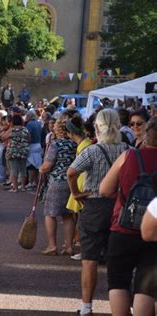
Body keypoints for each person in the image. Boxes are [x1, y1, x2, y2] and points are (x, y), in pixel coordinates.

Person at [67, 109, 130, 316]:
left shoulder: (92, 151)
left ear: (96, 127)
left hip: (94, 205)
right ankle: (124, 306)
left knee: (90, 259)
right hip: (119, 206)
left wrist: (76, 193)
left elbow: (71, 172)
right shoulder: (128, 150)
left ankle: (86, 307)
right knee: (119, 259)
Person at [99, 117, 157, 316]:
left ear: (145, 135)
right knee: (146, 285)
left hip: (123, 226)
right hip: (155, 232)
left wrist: (126, 200)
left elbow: (105, 189)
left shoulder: (129, 156)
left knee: (118, 281)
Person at [39, 115, 77, 255]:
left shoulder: (55, 145)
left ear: (58, 129)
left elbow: (47, 165)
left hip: (57, 181)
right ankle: (68, 246)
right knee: (68, 215)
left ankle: (52, 245)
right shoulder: (75, 144)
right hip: (71, 182)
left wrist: (41, 169)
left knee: (50, 213)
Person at [65, 115, 93, 261]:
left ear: (70, 133)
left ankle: (85, 250)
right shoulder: (85, 143)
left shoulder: (85, 145)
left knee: (83, 220)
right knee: (80, 219)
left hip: (82, 184)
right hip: (81, 182)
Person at [5, 115, 29, 192]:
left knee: (14, 169)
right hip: (23, 151)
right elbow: (29, 138)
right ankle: (23, 187)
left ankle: (15, 188)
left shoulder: (12, 129)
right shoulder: (25, 129)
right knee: (23, 169)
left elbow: (3, 137)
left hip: (13, 151)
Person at [25, 110, 42, 190]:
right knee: (37, 165)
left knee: (31, 165)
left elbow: (28, 136)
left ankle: (31, 182)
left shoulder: (29, 124)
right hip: (38, 144)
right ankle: (36, 182)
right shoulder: (38, 123)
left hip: (32, 145)